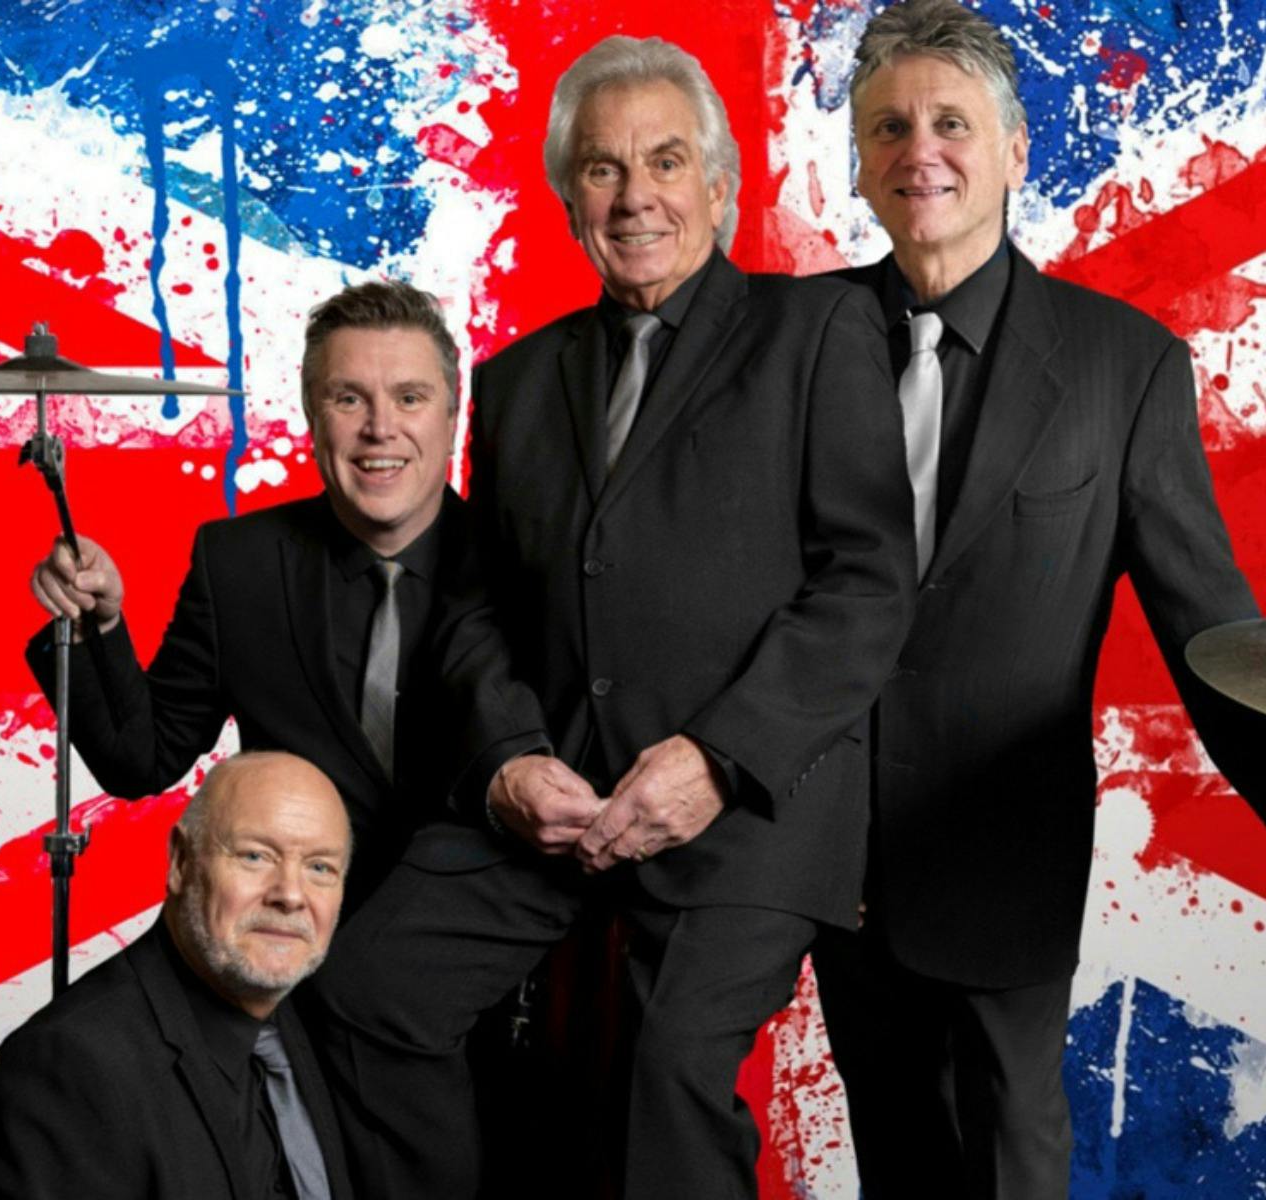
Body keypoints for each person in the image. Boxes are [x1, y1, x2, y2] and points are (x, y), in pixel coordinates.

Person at [811, 3, 1266, 1196]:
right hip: (826, 851)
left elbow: (1205, 623)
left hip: (1006, 854)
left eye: (947, 122)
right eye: (886, 126)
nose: (915, 150)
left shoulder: (1119, 365)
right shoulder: (799, 338)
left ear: (1015, 150)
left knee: (1014, 1158)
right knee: (894, 1159)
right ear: (860, 163)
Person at [313, 34, 916, 1200]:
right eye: (601, 169)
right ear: (566, 196)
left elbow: (866, 586)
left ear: (720, 184)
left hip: (745, 812)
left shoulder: (816, 335)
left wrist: (714, 759)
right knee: (359, 995)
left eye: (665, 161)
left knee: (664, 1065)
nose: (635, 195)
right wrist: (504, 764)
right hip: (555, 804)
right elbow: (476, 604)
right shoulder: (521, 379)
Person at [26, 280, 474, 898]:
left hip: (466, 939)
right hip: (280, 935)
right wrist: (95, 625)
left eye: (410, 398)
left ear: (452, 416)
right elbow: (140, 760)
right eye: (348, 399)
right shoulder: (239, 562)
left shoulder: (523, 562)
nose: (380, 428)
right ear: (312, 417)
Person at [0, 751, 354, 1199]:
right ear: (180, 861)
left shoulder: (309, 1028)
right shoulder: (68, 1064)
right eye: (255, 856)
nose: (291, 895)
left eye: (320, 867)